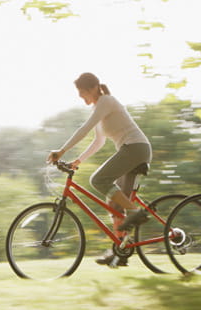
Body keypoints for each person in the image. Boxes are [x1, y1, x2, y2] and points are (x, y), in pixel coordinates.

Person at [47, 72, 152, 266]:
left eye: (82, 91)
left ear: (93, 88)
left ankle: (135, 212)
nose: (80, 96)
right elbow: (98, 141)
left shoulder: (106, 101)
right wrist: (78, 160)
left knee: (98, 180)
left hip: (136, 148)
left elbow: (85, 128)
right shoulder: (99, 107)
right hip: (130, 150)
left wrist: (62, 150)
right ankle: (120, 252)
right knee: (114, 204)